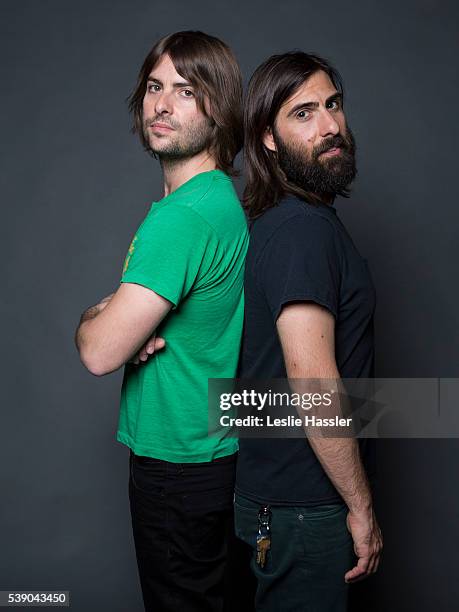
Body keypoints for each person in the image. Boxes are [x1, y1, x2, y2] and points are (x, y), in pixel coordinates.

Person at [75, 30, 249, 612]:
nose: (162, 104)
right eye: (154, 87)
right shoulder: (222, 201)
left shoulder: (182, 220)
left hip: (176, 465)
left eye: (186, 90)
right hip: (214, 457)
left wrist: (96, 317)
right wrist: (116, 319)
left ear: (219, 109)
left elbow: (99, 352)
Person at [234, 52, 383, 611]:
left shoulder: (286, 224)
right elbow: (313, 383)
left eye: (333, 105)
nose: (329, 126)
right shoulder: (302, 232)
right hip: (306, 508)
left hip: (288, 502)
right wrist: (361, 507)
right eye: (303, 114)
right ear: (268, 138)